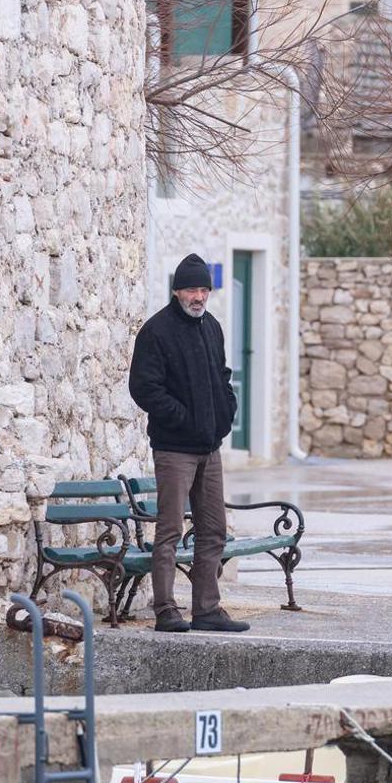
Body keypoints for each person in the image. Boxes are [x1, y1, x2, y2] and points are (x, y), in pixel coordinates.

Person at [128, 253, 250, 634]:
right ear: (176, 291)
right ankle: (165, 609)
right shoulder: (156, 331)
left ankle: (207, 610)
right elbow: (144, 388)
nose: (198, 296)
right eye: (191, 289)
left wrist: (224, 414)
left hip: (209, 449)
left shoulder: (211, 327)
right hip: (174, 449)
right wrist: (184, 419)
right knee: (169, 531)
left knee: (213, 529)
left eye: (204, 289)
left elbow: (222, 376)